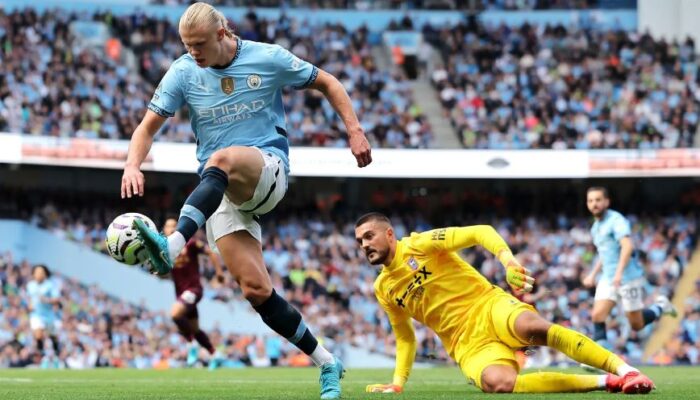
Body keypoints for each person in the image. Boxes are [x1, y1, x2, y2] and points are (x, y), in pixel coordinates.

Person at [120, 3, 371, 398]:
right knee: (256, 291)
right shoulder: (184, 70)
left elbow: (329, 82)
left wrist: (354, 131)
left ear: (222, 33)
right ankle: (328, 362)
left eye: (199, 44)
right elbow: (146, 127)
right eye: (186, 45)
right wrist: (132, 165)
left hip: (267, 170)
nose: (192, 52)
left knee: (220, 160)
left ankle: (171, 245)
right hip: (220, 190)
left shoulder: (267, 58)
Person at [354, 212, 655, 395]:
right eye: (360, 241)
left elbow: (479, 232)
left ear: (389, 234)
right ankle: (608, 382)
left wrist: (507, 261)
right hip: (465, 343)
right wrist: (398, 382)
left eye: (369, 236)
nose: (365, 245)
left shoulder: (419, 244)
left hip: (487, 305)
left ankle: (626, 370)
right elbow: (405, 337)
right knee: (499, 384)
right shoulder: (383, 288)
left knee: (531, 327)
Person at [583, 187, 677, 352]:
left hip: (628, 277)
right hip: (608, 277)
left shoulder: (616, 220)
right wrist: (592, 274)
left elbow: (627, 246)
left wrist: (619, 273)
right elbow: (604, 254)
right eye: (591, 201)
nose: (594, 204)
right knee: (597, 315)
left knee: (637, 324)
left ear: (606, 202)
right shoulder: (595, 227)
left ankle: (661, 306)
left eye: (598, 200)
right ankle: (599, 357)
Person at [162, 217, 224, 368]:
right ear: (164, 230)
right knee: (195, 329)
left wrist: (219, 272)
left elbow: (209, 252)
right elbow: (163, 275)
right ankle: (214, 354)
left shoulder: (189, 243)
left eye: (174, 226)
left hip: (194, 290)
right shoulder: (165, 251)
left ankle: (191, 344)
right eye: (168, 226)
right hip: (181, 293)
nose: (171, 229)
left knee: (175, 314)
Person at [26, 264, 61, 368]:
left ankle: (55, 356)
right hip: (36, 314)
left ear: (45, 274)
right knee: (38, 334)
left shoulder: (50, 285)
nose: (39, 274)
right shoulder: (30, 285)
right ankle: (42, 357)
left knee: (52, 336)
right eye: (37, 272)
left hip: (48, 315)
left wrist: (47, 300)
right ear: (33, 274)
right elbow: (29, 298)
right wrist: (30, 305)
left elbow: (56, 299)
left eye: (41, 272)